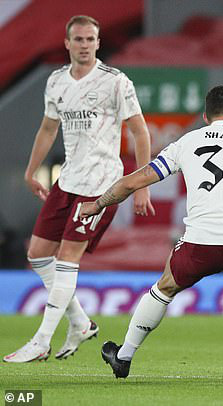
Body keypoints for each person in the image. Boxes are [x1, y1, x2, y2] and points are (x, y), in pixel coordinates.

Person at [79, 85, 223, 386]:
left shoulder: (187, 142)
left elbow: (133, 181)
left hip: (200, 243)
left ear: (205, 116)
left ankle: (124, 356)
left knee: (165, 286)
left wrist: (96, 204)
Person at [3, 15, 154, 363]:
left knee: (67, 258)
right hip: (68, 180)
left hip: (100, 185)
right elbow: (46, 128)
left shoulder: (116, 82)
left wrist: (142, 186)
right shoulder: (56, 82)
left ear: (99, 44)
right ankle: (80, 322)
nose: (85, 45)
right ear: (67, 43)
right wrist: (30, 171)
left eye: (91, 39)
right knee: (37, 254)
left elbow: (140, 132)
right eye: (79, 39)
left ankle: (42, 340)